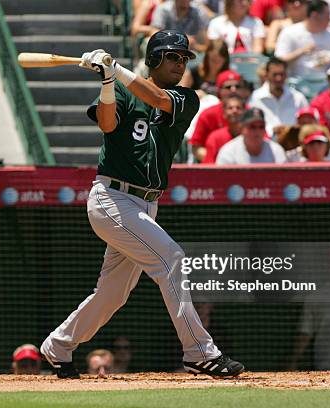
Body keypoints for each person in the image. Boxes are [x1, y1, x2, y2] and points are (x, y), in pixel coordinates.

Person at [40, 30, 244, 379]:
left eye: (183, 58)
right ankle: (199, 351)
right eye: (172, 57)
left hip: (146, 204)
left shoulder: (186, 97)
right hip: (112, 198)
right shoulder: (120, 87)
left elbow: (158, 99)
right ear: (153, 59)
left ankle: (58, 346)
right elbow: (107, 124)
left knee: (112, 293)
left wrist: (115, 69)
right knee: (173, 259)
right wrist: (107, 80)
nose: (180, 64)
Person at [188, 69, 247, 161]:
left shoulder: (250, 112)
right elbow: (196, 148)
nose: (233, 89)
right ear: (219, 90)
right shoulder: (208, 114)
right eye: (228, 87)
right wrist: (220, 161)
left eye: (237, 86)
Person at [274, 0, 330, 79]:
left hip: (325, 83)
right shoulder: (290, 32)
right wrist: (301, 51)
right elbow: (278, 61)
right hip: (297, 83)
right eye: (327, 15)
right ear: (314, 15)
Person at [248, 57, 308, 137]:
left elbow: (307, 124)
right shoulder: (255, 98)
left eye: (281, 74)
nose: (278, 78)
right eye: (275, 75)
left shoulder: (298, 98)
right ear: (267, 75)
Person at [216, 107, 287, 164]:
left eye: (261, 127)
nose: (257, 131)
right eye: (252, 127)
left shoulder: (276, 151)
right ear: (242, 128)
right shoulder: (228, 152)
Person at [203, 95, 245, 163]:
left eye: (238, 108)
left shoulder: (253, 134)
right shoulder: (215, 138)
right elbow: (208, 165)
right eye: (230, 108)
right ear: (224, 114)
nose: (234, 111)